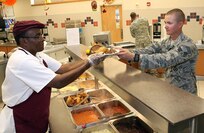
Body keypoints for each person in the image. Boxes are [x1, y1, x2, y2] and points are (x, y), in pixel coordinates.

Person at [0, 20, 105, 133]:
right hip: (21, 120)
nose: (42, 39)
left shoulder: (36, 54)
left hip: (35, 116)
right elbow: (58, 82)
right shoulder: (22, 60)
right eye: (37, 36)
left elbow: (63, 68)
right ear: (24, 41)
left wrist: (89, 59)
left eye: (41, 34)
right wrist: (88, 63)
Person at [118, 8, 198, 95]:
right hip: (169, 88)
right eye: (165, 23)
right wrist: (126, 51)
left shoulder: (187, 45)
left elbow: (165, 59)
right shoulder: (166, 41)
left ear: (180, 24)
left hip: (185, 91)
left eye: (169, 23)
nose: (165, 26)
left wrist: (134, 57)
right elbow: (148, 50)